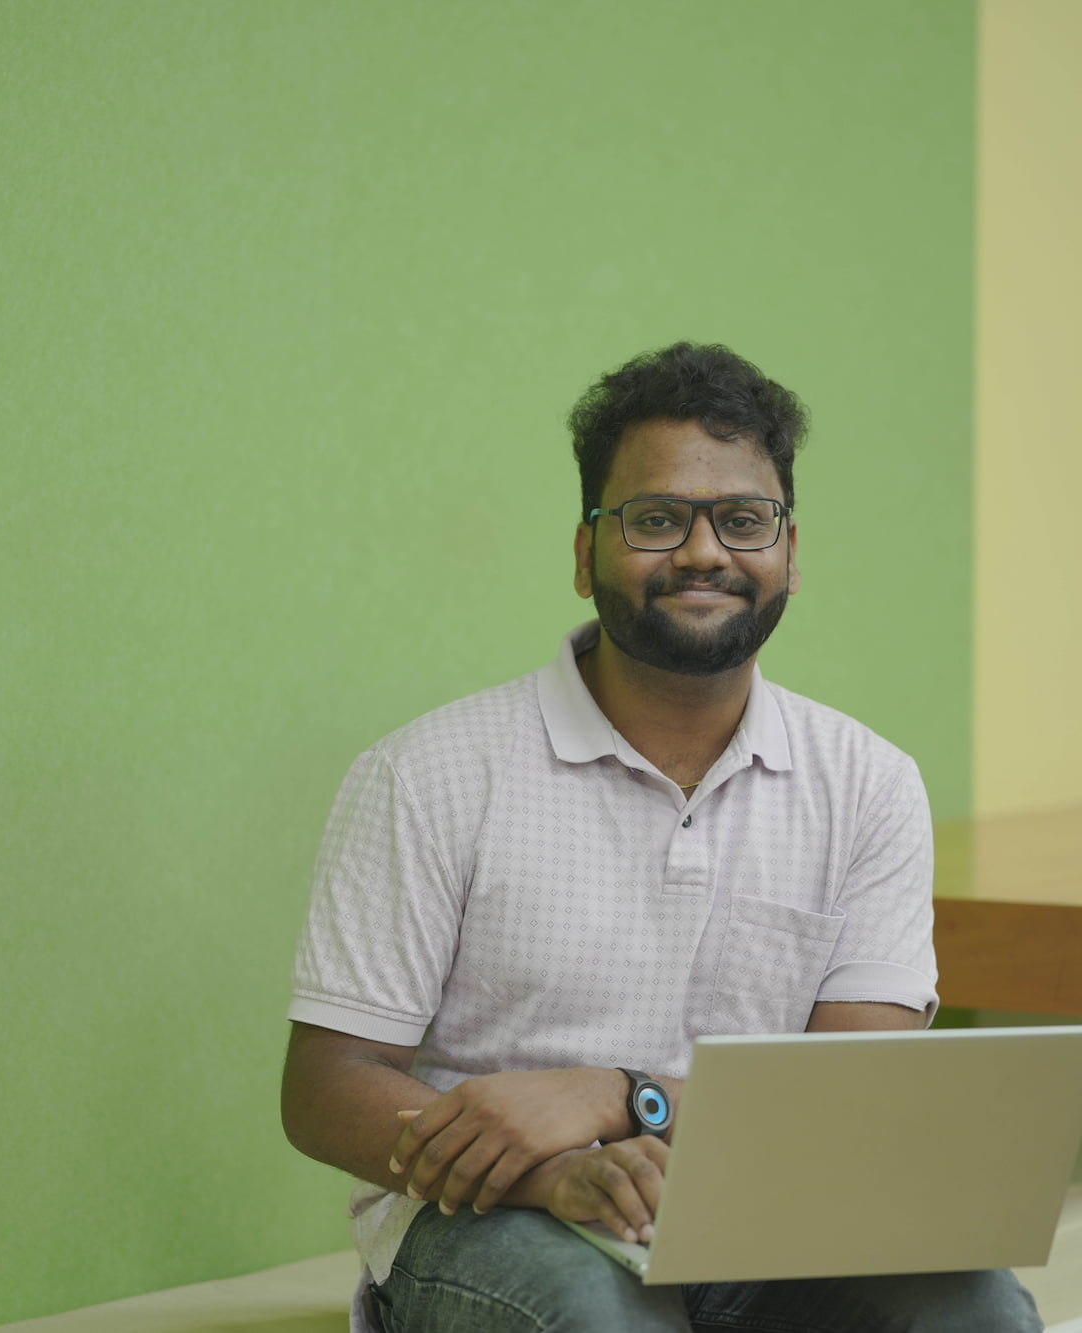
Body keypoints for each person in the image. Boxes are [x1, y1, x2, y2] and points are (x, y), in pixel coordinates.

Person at [281, 342, 1042, 1332]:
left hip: (772, 1218)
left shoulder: (867, 783)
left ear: (788, 553)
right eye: (654, 519)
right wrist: (551, 1170)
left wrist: (619, 1098)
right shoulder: (429, 773)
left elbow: (854, 1101)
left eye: (740, 519)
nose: (702, 552)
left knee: (973, 1306)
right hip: (496, 1222)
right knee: (599, 1315)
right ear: (581, 550)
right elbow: (325, 1088)